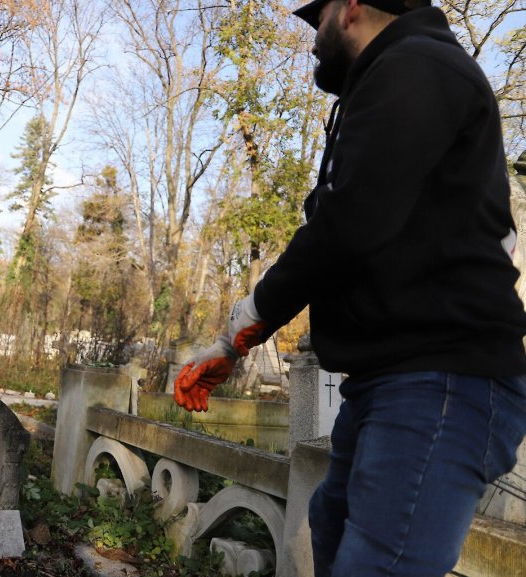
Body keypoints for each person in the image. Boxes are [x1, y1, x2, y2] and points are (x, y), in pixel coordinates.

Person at [173, 1, 526, 576]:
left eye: (319, 17)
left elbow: (345, 227)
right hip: (393, 379)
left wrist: (240, 327)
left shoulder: (418, 68)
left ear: (352, 7)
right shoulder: (401, 77)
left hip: (442, 379)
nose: (313, 38)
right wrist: (235, 343)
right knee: (331, 526)